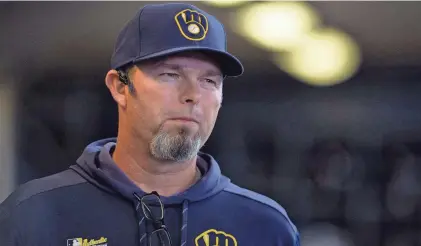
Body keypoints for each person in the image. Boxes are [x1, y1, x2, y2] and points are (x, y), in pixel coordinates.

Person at [0, 3, 299, 246]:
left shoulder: (266, 228)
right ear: (119, 87)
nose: (192, 95)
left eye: (209, 80)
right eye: (169, 75)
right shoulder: (33, 215)